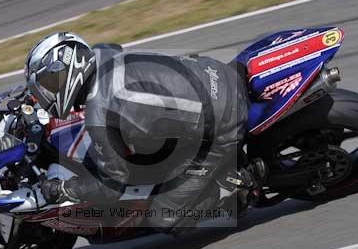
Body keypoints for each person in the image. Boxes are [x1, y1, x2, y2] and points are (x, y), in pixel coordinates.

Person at [25, 32, 257, 234]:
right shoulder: (101, 53)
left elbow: (112, 187)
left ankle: (237, 187)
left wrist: (65, 188)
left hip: (223, 124)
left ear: (70, 73)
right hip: (212, 72)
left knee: (164, 218)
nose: (46, 93)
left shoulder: (100, 114)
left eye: (49, 84)